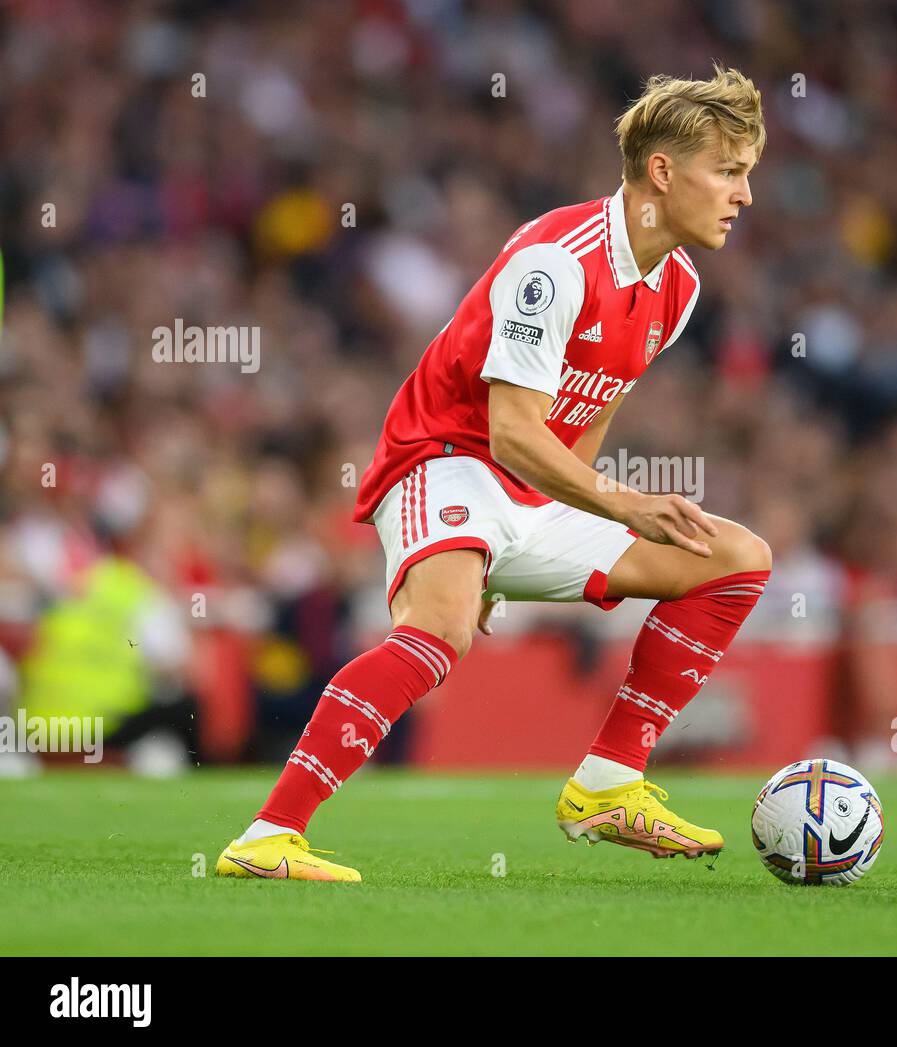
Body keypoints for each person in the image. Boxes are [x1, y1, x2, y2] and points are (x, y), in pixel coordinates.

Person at [216, 65, 770, 881]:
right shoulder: (557, 263)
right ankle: (266, 837)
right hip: (445, 460)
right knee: (439, 629)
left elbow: (592, 408)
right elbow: (510, 433)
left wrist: (550, 533)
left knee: (735, 558)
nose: (744, 195)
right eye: (728, 171)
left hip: (525, 488)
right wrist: (624, 505)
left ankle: (609, 783)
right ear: (662, 172)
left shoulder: (677, 286)